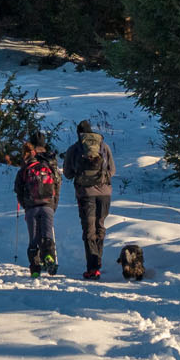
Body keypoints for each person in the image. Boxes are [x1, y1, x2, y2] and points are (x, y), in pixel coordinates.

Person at [62, 119, 116, 279]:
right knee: (100, 226)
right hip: (105, 193)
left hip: (86, 194)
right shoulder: (103, 147)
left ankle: (92, 267)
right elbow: (112, 170)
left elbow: (67, 173)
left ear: (79, 133)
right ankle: (97, 262)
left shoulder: (74, 148)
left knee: (89, 229)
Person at [14, 131, 60, 276]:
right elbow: (57, 182)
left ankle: (35, 268)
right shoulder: (50, 159)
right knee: (47, 235)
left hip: (31, 207)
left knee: (33, 238)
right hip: (48, 205)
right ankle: (49, 257)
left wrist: (25, 204)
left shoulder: (27, 161)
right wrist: (53, 203)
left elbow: (18, 187)